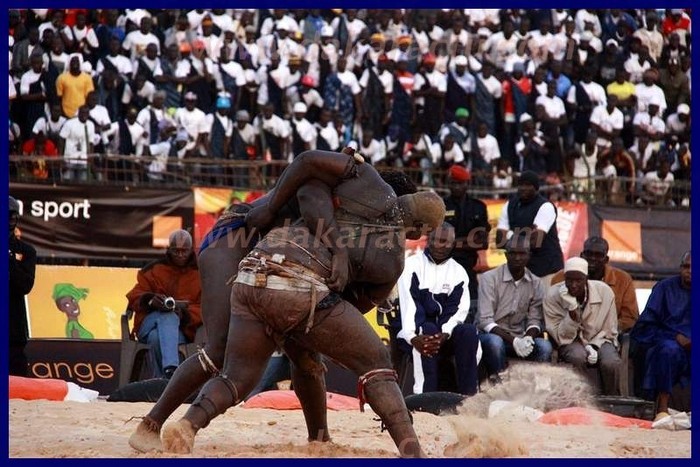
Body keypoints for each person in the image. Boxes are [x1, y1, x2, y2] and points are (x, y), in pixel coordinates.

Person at [127, 149, 418, 453]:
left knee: (306, 357)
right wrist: (276, 207)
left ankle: (319, 438)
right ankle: (151, 423)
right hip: (238, 236)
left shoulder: (364, 229)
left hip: (275, 267)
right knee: (219, 349)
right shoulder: (344, 190)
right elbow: (307, 184)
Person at [396, 222, 480, 396]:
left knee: (469, 332)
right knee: (427, 329)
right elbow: (410, 305)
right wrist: (413, 337)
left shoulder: (458, 272)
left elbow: (458, 310)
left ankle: (468, 398)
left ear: (453, 244)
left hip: (442, 335)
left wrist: (444, 333)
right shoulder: (411, 265)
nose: (440, 245)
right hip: (413, 333)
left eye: (445, 241)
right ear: (428, 240)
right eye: (436, 240)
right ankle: (424, 397)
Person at [125, 229, 203, 379]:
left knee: (157, 337)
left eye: (184, 251)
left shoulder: (199, 274)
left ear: (191, 250)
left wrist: (184, 314)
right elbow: (134, 296)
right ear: (168, 249)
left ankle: (162, 381)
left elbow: (205, 307)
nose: (180, 255)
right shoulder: (154, 269)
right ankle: (172, 371)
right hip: (149, 324)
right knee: (167, 316)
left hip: (182, 330)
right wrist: (150, 300)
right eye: (176, 251)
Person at [477, 234, 551, 380]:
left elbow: (535, 320)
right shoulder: (489, 278)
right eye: (513, 253)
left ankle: (538, 391)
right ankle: (500, 386)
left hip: (521, 337)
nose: (517, 258)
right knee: (495, 343)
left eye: (522, 253)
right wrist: (515, 341)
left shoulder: (536, 283)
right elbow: (485, 320)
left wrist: (528, 338)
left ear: (529, 256)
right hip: (490, 336)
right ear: (506, 255)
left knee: (544, 346)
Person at [543, 257, 621, 396]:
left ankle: (612, 399)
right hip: (570, 341)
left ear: (586, 279)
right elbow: (560, 337)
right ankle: (583, 399)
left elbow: (610, 329)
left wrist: (594, 346)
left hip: (601, 339)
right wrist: (572, 311)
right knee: (577, 356)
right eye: (569, 280)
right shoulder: (553, 295)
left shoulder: (604, 291)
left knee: (611, 362)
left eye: (578, 280)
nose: (573, 285)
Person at [630, 251, 690, 420]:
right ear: (680, 268)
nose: (690, 271)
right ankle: (662, 409)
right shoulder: (664, 288)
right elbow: (646, 325)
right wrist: (676, 337)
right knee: (668, 351)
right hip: (669, 342)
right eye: (686, 266)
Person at [551, 236, 639, 334]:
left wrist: (606, 330)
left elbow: (630, 318)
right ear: (581, 255)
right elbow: (552, 311)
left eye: (598, 255)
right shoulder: (560, 277)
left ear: (606, 259)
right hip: (568, 334)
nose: (593, 258)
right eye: (589, 254)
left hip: (606, 336)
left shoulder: (622, 279)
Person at [496, 170, 564, 284]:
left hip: (547, 270)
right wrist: (524, 236)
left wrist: (509, 235)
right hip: (522, 273)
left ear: (536, 188)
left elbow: (535, 242)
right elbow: (499, 240)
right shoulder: (510, 205)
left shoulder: (545, 206)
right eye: (521, 184)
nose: (523, 188)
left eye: (528, 185)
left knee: (546, 302)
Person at [442, 165, 491, 299]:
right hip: (444, 265)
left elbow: (483, 243)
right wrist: (469, 240)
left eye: (460, 183)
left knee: (472, 305)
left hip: (469, 266)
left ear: (467, 184)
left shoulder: (478, 207)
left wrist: (453, 242)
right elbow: (438, 241)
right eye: (453, 183)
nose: (456, 187)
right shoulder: (441, 205)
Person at [9, 196, 37, 377]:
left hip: (13, 326)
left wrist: (8, 260)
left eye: (12, 216)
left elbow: (25, 286)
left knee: (16, 377)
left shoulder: (26, 251)